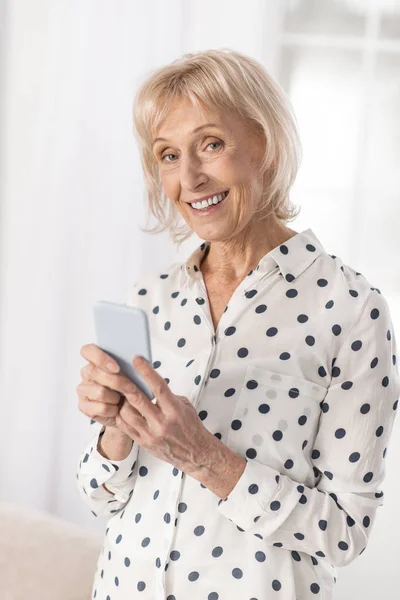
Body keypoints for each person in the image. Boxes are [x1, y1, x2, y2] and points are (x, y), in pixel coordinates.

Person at [76, 48, 400, 600]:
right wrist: (113, 430)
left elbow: (344, 533)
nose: (190, 177)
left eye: (211, 145)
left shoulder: (351, 309)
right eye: (168, 156)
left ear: (264, 145)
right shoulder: (149, 297)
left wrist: (206, 458)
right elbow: (103, 498)